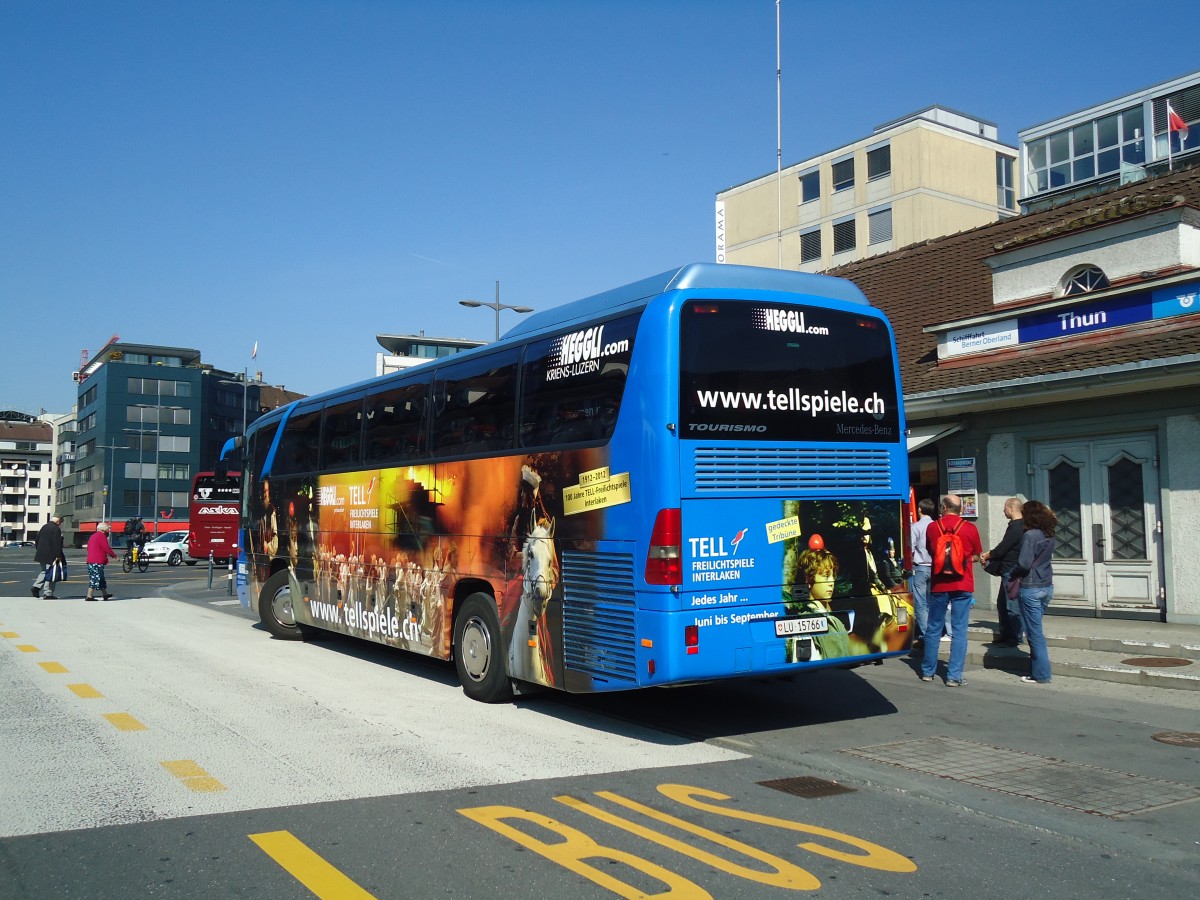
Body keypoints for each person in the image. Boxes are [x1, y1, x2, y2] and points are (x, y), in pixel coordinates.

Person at [919, 494, 982, 687]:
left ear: (944, 508)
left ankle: (928, 672)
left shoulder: (932, 527)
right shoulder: (970, 528)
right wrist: (963, 560)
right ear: (960, 509)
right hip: (963, 584)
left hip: (939, 584)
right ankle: (954, 676)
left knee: (933, 627)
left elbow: (932, 551)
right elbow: (977, 555)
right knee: (959, 629)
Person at [1012, 501, 1057, 684]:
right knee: (1035, 628)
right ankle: (1037, 669)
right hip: (1046, 584)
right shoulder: (1049, 534)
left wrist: (1013, 573)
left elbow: (1024, 563)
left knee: (1034, 632)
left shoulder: (1030, 535)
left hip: (1031, 586)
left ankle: (1041, 674)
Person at [980, 497, 1026, 646]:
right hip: (1007, 569)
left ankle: (1015, 637)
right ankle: (1005, 634)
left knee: (1012, 605)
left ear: (1012, 509)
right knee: (1002, 603)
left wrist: (989, 555)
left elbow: (1004, 547)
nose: (1003, 510)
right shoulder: (1017, 525)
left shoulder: (1017, 526)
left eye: (1005, 507)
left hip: (1011, 570)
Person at [908, 499, 935, 649]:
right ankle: (935, 632)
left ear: (919, 509)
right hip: (935, 568)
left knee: (920, 603)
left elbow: (910, 548)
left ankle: (926, 636)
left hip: (920, 567)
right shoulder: (937, 525)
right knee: (932, 602)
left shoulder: (916, 527)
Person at [31, 515, 66, 599]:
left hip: (41, 554)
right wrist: (58, 556)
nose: (60, 524)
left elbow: (37, 540)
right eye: (60, 522)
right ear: (58, 521)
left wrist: (39, 550)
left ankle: (36, 587)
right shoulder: (56, 529)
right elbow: (57, 544)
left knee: (44, 571)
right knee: (52, 573)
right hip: (52, 555)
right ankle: (48, 593)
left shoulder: (44, 527)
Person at [86, 522, 118, 601]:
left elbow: (88, 548)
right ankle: (89, 595)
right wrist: (114, 556)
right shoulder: (101, 536)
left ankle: (105, 594)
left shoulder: (93, 536)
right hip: (97, 560)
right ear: (104, 529)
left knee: (100, 578)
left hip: (91, 560)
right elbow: (106, 548)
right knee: (95, 577)